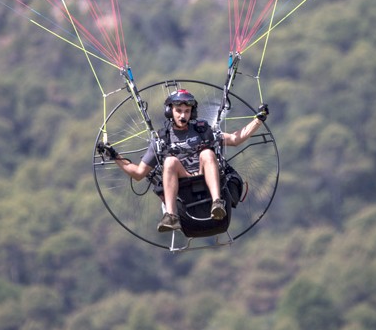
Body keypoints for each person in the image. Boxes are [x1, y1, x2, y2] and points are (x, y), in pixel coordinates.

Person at [98, 89, 269, 233]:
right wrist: (114, 155)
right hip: (183, 184)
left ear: (192, 113)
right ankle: (171, 217)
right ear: (170, 111)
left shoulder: (203, 131)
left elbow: (235, 139)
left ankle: (217, 203)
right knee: (170, 161)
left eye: (187, 111)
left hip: (204, 175)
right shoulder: (161, 140)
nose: (183, 115)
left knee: (208, 154)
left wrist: (258, 120)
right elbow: (138, 174)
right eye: (179, 111)